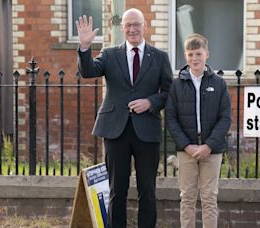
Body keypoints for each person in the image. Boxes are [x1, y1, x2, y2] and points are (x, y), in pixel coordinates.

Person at [76, 8, 173, 228]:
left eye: (136, 24)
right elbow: (89, 71)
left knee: (147, 190)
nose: (132, 29)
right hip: (115, 130)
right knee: (116, 190)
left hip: (147, 130)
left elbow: (169, 93)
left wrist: (150, 102)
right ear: (122, 29)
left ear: (144, 26)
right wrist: (84, 47)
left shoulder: (159, 57)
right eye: (128, 25)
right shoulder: (110, 54)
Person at [165, 34, 231, 228]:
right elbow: (171, 118)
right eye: (191, 54)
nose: (195, 58)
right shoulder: (177, 85)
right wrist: (187, 145)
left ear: (207, 54)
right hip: (186, 151)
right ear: (185, 56)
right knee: (187, 198)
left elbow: (225, 117)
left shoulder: (218, 83)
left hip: (212, 151)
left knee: (210, 198)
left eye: (199, 54)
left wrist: (209, 145)